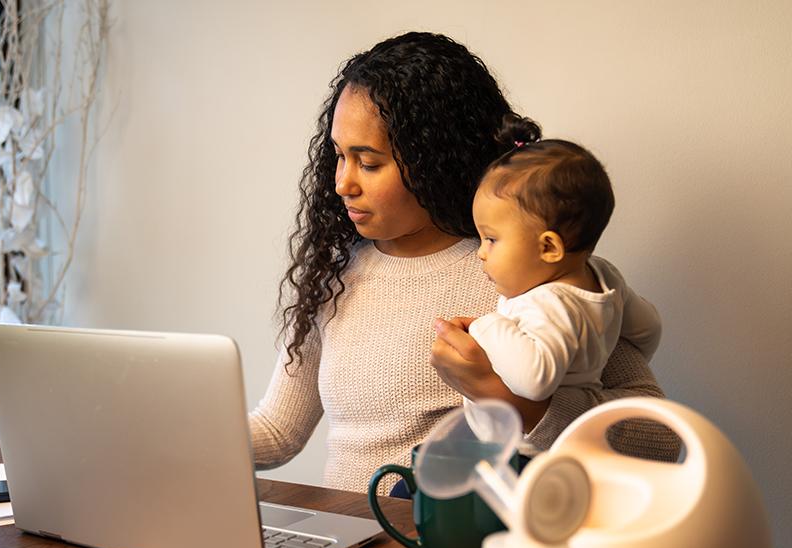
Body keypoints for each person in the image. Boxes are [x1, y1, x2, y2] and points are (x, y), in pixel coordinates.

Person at [247, 31, 677, 495]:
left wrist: (516, 405)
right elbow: (277, 432)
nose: (341, 184)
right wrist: (171, 434)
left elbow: (659, 438)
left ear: (433, 160)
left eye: (368, 163)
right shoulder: (332, 277)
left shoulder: (526, 272)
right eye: (338, 156)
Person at [467, 124, 662, 410]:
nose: (480, 253)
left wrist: (484, 326)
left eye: (491, 239)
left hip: (528, 447)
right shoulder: (606, 275)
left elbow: (533, 382)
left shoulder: (547, 304)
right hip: (572, 427)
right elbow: (648, 329)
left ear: (549, 248)